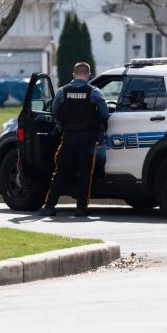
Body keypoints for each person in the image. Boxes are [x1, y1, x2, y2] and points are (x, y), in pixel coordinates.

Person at [39, 62, 109, 217]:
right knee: (85, 173)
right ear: (88, 75)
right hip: (88, 139)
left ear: (73, 74)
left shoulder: (62, 91)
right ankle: (81, 209)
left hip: (69, 137)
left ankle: (49, 206)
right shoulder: (94, 92)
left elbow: (54, 111)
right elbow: (105, 113)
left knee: (60, 172)